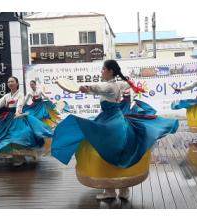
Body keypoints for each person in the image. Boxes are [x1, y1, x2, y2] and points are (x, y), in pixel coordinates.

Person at [51, 60, 179, 200]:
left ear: (110, 71)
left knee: (103, 148)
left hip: (109, 120)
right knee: (123, 147)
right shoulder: (118, 84)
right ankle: (123, 189)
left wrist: (84, 87)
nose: (101, 71)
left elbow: (96, 88)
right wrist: (130, 84)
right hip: (116, 119)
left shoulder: (109, 86)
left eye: (103, 69)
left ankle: (111, 190)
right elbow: (125, 83)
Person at [0, 76, 53, 166]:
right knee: (0, 135)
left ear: (17, 84)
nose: (10, 83)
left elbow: (20, 105)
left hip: (18, 117)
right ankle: (2, 155)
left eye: (12, 81)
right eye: (8, 82)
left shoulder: (20, 94)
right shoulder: (7, 96)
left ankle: (19, 157)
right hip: (7, 117)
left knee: (20, 135)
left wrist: (18, 112)